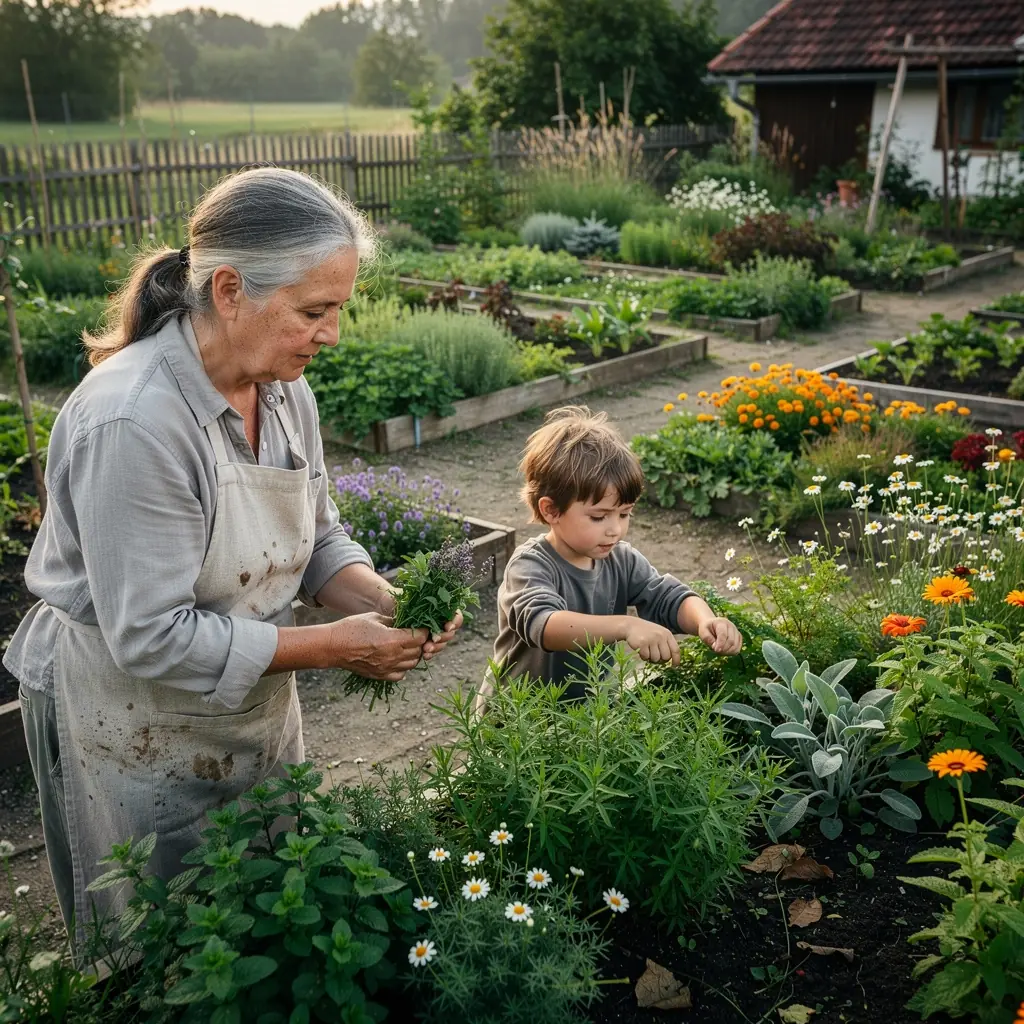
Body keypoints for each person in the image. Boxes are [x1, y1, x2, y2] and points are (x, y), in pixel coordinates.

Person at [4, 167, 460, 945]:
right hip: (129, 716)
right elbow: (149, 635)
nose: (332, 334)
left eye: (338, 310)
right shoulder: (136, 421)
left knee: (267, 911)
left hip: (248, 706)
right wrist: (334, 646)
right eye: (313, 311)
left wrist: (379, 601)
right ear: (228, 291)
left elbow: (318, 537)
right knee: (165, 940)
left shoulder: (285, 392)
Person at [489, 405, 742, 700]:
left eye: (624, 514)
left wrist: (705, 620)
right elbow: (543, 625)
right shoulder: (530, 565)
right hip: (517, 716)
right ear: (551, 510)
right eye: (599, 517)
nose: (615, 530)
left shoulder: (621, 560)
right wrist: (626, 625)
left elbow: (667, 597)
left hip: (584, 715)